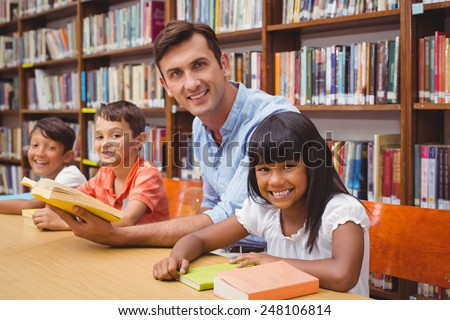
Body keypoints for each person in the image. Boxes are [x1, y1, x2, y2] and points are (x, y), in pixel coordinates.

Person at [51, 20, 298, 247]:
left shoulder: (270, 120)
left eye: (199, 65)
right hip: (228, 255)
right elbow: (211, 204)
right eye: (176, 74)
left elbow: (231, 215)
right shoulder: (199, 125)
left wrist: (119, 235)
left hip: (280, 259)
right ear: (166, 86)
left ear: (223, 64)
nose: (191, 84)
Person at [153, 112, 370, 296]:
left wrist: (275, 262)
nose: (275, 180)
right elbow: (198, 239)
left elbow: (343, 276)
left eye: (289, 166)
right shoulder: (263, 209)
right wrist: (176, 259)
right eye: (264, 169)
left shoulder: (341, 211)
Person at [42, 100, 170, 230]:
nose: (105, 144)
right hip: (114, 245)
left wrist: (66, 223)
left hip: (146, 248)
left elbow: (127, 221)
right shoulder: (104, 173)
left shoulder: (147, 173)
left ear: (139, 140)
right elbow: (69, 199)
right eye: (99, 137)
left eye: (115, 135)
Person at [0, 117, 87, 218]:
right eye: (35, 145)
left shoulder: (71, 175)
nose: (40, 153)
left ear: (67, 156)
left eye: (51, 147)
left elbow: (31, 205)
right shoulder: (46, 178)